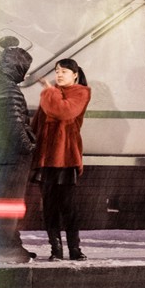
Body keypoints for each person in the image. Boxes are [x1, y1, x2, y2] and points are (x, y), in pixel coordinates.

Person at [0, 37, 37, 263]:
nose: (25, 74)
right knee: (11, 202)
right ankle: (7, 248)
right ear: (18, 67)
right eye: (25, 69)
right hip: (12, 155)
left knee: (7, 201)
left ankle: (12, 244)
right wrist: (29, 146)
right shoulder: (8, 89)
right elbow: (15, 125)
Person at [30, 58, 91, 261]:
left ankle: (75, 249)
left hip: (66, 158)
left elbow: (63, 111)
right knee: (49, 208)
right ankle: (56, 250)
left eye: (64, 71)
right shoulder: (52, 93)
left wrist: (50, 92)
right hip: (46, 159)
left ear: (75, 74)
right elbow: (37, 122)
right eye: (57, 71)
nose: (59, 74)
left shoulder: (81, 92)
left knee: (69, 207)